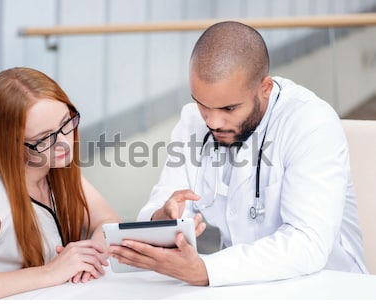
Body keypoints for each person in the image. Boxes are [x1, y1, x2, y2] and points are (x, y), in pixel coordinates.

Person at [108, 21, 368, 286]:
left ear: (264, 89)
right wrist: (163, 218)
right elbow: (160, 205)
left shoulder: (311, 122)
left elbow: (308, 244)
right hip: (244, 290)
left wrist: (205, 271)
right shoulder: (192, 120)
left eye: (229, 109)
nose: (213, 122)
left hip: (327, 287)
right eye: (202, 104)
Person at [0, 67, 120, 299]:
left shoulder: (53, 165)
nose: (64, 144)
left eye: (66, 123)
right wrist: (51, 272)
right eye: (44, 138)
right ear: (13, 144)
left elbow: (109, 221)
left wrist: (89, 260)